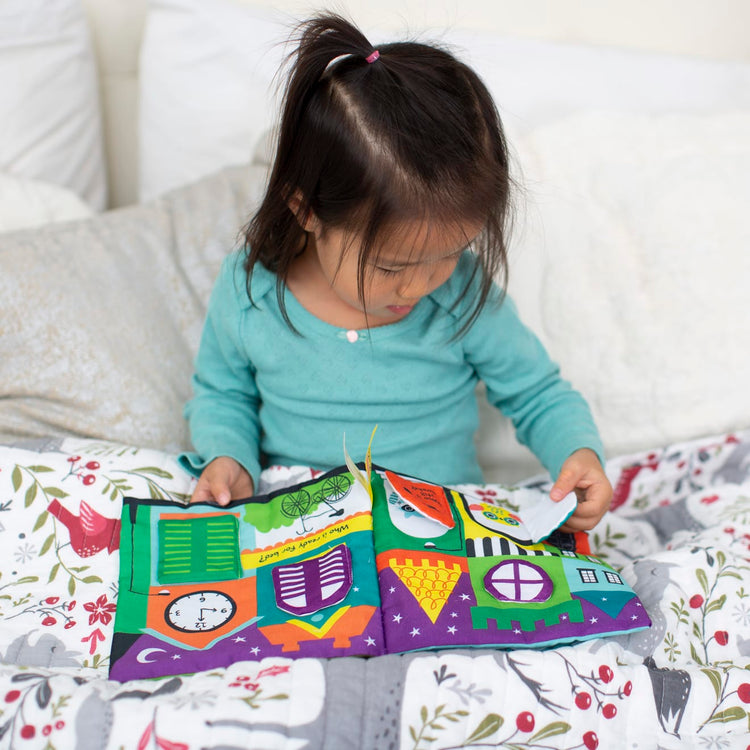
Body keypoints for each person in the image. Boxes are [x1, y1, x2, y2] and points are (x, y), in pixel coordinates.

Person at [179, 13, 613, 532]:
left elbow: (536, 392)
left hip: (439, 532)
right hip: (302, 532)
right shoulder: (253, 292)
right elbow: (222, 394)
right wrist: (229, 457)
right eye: (390, 266)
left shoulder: (460, 294)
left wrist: (579, 452)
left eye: (452, 251)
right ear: (307, 210)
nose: (420, 285)